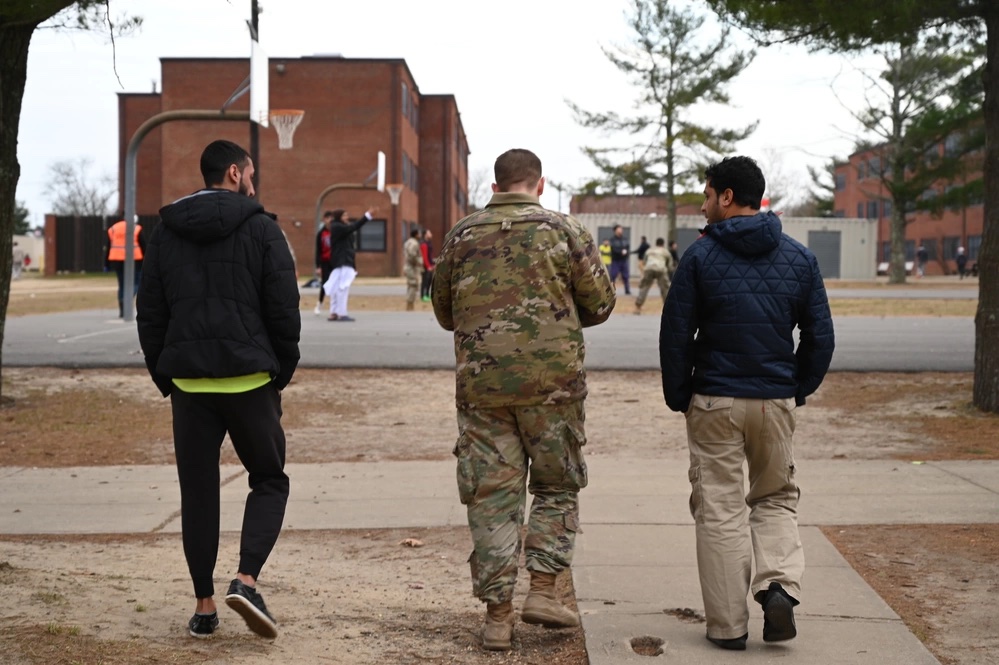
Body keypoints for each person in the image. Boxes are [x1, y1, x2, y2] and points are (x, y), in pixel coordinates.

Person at [431, 148, 616, 652]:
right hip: (553, 388)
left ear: (494, 187)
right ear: (539, 184)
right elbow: (600, 304)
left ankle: (497, 617)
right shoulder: (566, 231)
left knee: (491, 497)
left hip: (483, 390)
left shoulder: (461, 235)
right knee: (557, 485)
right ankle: (543, 590)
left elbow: (444, 312)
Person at [660, 156, 834, 652]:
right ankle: (777, 586)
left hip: (714, 399)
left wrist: (680, 395)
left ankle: (727, 626)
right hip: (774, 398)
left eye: (708, 193)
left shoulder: (698, 257)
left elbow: (676, 334)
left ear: (728, 197)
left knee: (719, 507)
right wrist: (796, 388)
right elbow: (820, 337)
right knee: (775, 496)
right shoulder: (800, 258)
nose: (703, 202)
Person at [136, 139, 301, 640]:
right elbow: (283, 307)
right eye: (250, 172)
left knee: (199, 492)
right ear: (234, 172)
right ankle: (246, 580)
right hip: (250, 379)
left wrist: (165, 373)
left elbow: (151, 311)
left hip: (189, 382)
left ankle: (204, 605)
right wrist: (281, 370)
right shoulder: (261, 228)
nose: (253, 180)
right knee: (269, 479)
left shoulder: (164, 233)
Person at [324, 207, 376, 322]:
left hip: (340, 260)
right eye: (344, 215)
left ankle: (334, 312)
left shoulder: (338, 227)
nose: (347, 217)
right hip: (343, 260)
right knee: (343, 287)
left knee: (336, 287)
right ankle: (342, 313)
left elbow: (351, 229)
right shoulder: (337, 227)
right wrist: (366, 216)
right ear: (339, 217)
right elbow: (353, 227)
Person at [106, 217, 146, 318]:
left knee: (122, 285)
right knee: (137, 282)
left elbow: (109, 246)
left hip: (117, 259)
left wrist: (106, 264)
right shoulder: (136, 228)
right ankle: (127, 301)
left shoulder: (114, 228)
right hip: (135, 259)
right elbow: (143, 246)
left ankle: (122, 310)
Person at [633, 237, 674, 315]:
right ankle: (668, 307)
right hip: (661, 269)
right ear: (663, 244)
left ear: (656, 243)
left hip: (649, 268)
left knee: (644, 287)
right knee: (665, 289)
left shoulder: (649, 250)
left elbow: (645, 261)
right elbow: (670, 264)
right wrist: (669, 270)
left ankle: (638, 306)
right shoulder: (665, 251)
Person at [313, 210, 334, 315]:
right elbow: (318, 250)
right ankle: (319, 304)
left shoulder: (336, 231)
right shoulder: (321, 233)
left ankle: (334, 307)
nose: (330, 221)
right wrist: (318, 266)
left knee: (336, 285)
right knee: (325, 283)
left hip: (335, 262)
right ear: (325, 219)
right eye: (328, 218)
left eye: (332, 218)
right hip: (325, 261)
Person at [403, 228, 422, 310]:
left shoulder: (407, 242)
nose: (420, 235)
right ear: (416, 234)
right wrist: (417, 262)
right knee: (413, 285)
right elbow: (412, 254)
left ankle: (409, 305)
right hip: (412, 267)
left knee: (410, 285)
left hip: (408, 266)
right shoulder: (414, 243)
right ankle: (410, 305)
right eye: (419, 233)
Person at [609, 224, 631, 295]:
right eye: (619, 229)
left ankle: (627, 290)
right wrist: (620, 252)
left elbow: (627, 247)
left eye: (621, 229)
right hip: (616, 260)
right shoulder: (612, 240)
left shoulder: (625, 239)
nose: (621, 231)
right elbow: (613, 249)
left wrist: (626, 252)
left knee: (626, 275)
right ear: (615, 231)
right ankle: (611, 290)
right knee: (613, 275)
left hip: (624, 260)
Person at [420, 229, 435, 302]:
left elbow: (430, 256)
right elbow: (424, 257)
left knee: (429, 281)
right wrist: (428, 266)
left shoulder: (429, 243)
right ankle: (423, 295)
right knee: (424, 281)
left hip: (430, 265)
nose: (431, 234)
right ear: (425, 235)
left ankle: (427, 294)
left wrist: (432, 264)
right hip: (425, 267)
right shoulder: (424, 244)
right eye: (429, 233)